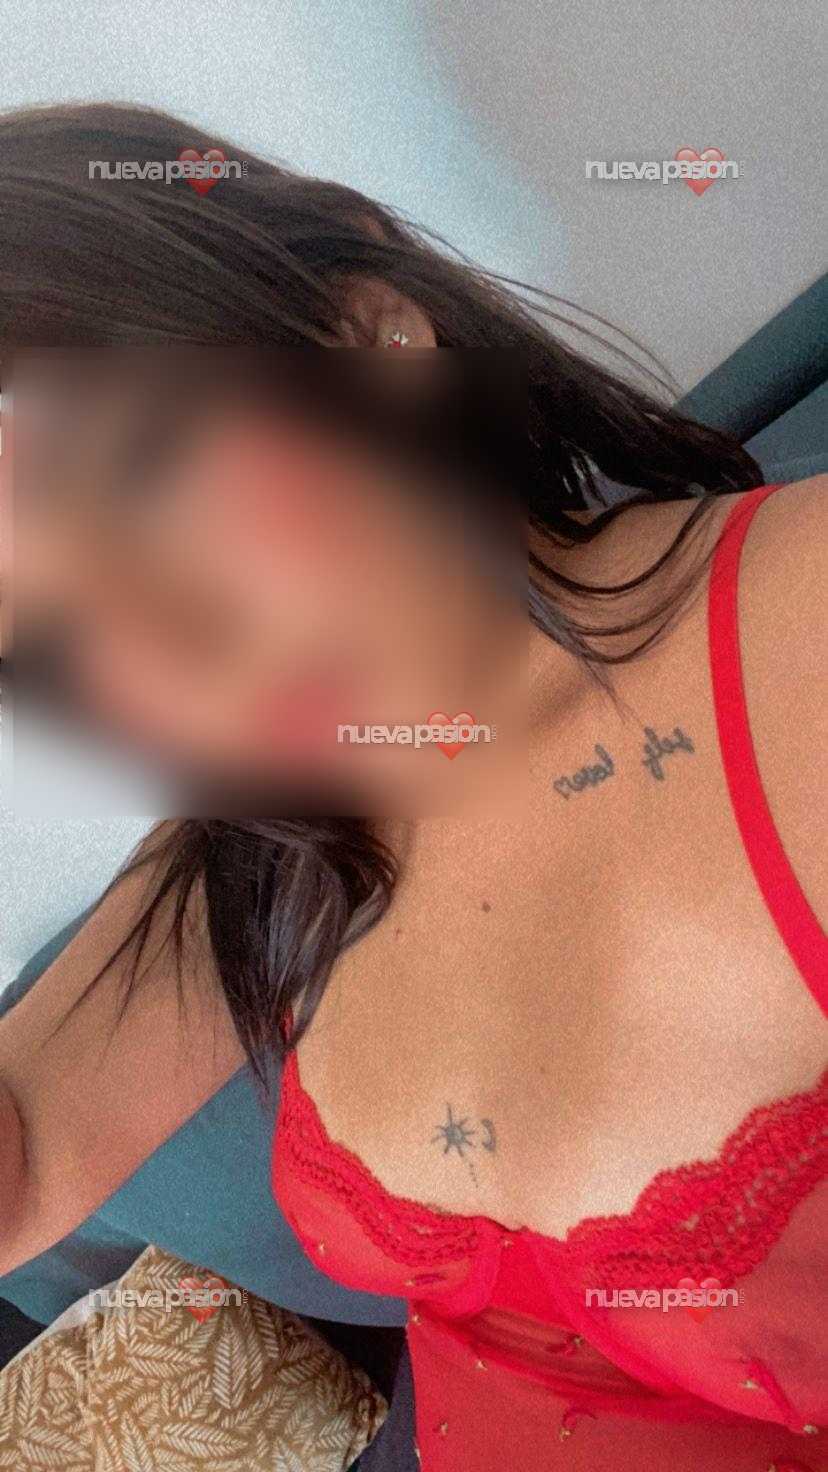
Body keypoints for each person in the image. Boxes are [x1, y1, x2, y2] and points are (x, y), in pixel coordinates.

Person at [1, 102, 826, 1471]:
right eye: (52, 644)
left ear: (368, 328)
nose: (168, 652)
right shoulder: (265, 854)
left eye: (139, 471)